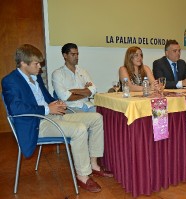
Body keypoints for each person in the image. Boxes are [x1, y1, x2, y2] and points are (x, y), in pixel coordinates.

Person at [2, 44, 112, 193]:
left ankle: (94, 164)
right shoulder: (10, 81)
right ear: (23, 63)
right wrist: (47, 109)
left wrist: (56, 103)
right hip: (36, 123)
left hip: (51, 116)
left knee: (96, 118)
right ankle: (83, 176)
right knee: (79, 129)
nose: (40, 67)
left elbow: (46, 97)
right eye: (36, 64)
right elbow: (16, 109)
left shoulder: (36, 77)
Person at [52, 43, 96, 112]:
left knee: (105, 116)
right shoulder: (57, 73)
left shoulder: (83, 71)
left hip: (88, 105)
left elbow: (93, 89)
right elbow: (64, 96)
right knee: (94, 118)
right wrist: (85, 92)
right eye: (73, 54)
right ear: (65, 55)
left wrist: (73, 91)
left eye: (77, 54)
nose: (76, 57)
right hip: (71, 108)